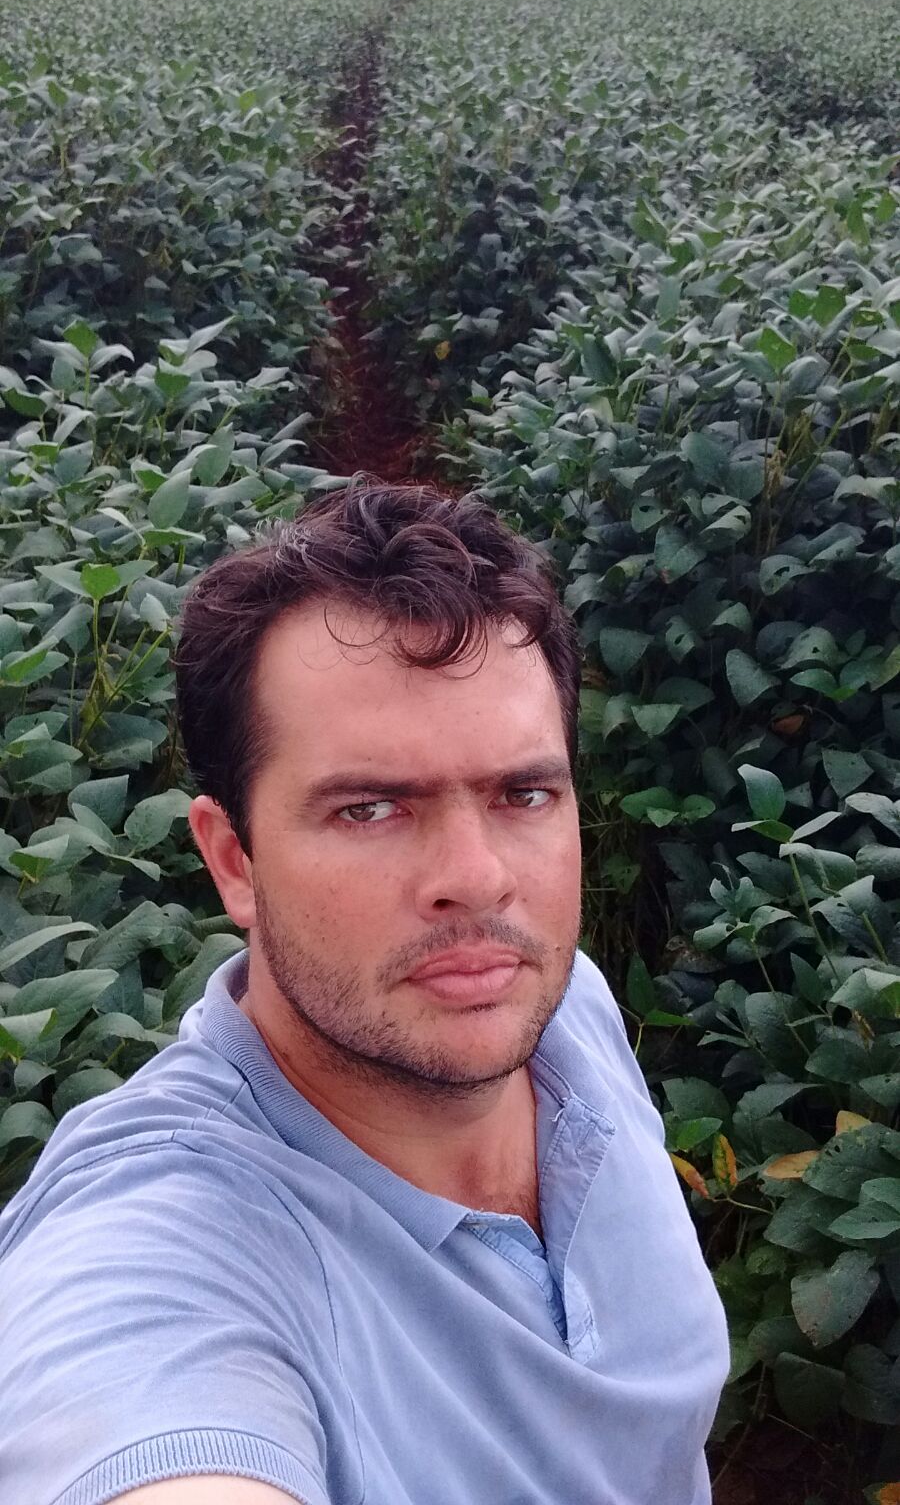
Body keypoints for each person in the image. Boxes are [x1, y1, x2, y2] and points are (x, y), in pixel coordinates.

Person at [0, 477, 730, 1505]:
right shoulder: (165, 1241)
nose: (477, 879)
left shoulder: (563, 1010)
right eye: (371, 809)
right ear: (232, 860)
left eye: (523, 793)